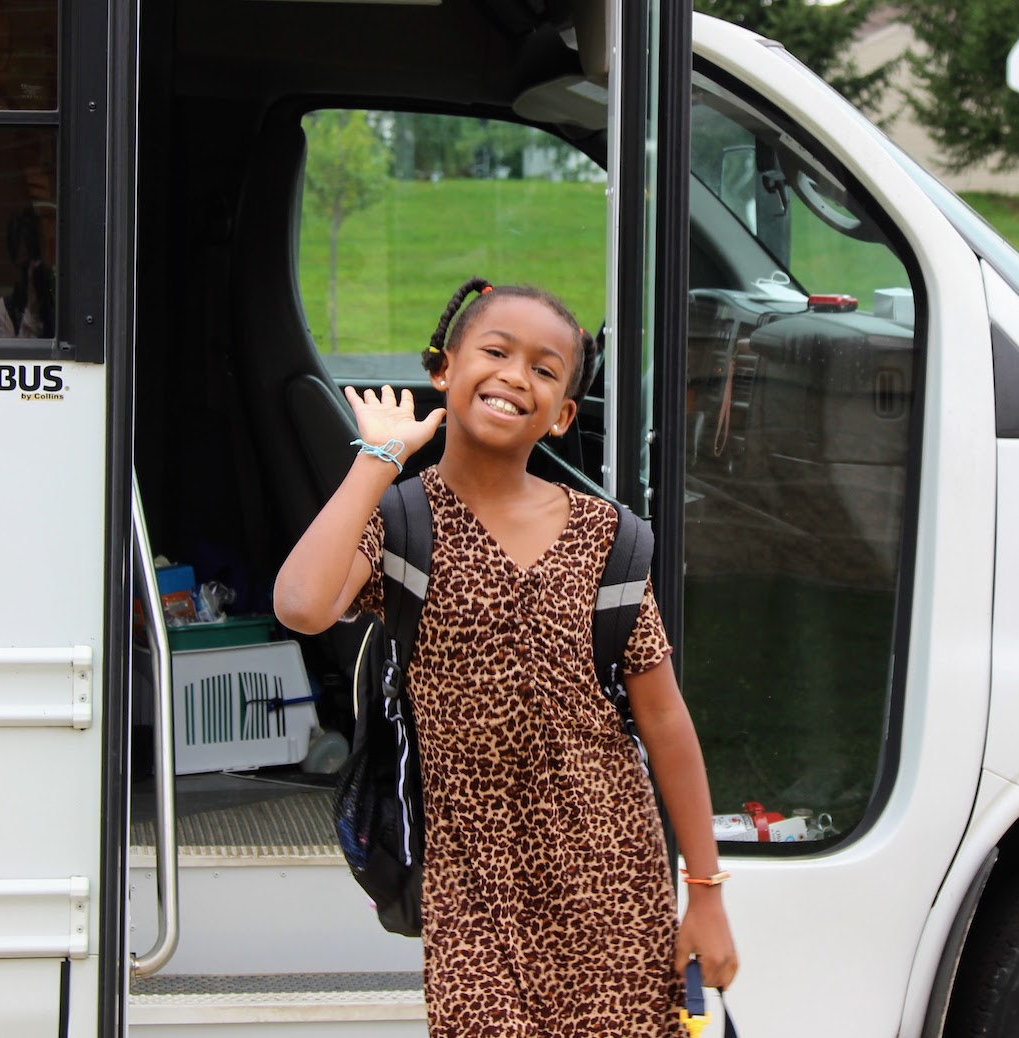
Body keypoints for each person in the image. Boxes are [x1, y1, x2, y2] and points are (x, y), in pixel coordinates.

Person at [274, 278, 737, 1036]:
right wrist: (377, 459)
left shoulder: (605, 539)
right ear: (444, 369)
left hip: (613, 882)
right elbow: (301, 602)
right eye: (495, 351)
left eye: (545, 369)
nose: (515, 375)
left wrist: (707, 893)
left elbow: (664, 719)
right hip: (472, 890)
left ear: (560, 417)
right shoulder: (399, 521)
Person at [0, 207, 54, 338]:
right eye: (26, 266)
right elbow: (16, 356)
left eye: (37, 263)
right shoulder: (5, 311)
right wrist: (32, 311)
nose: (32, 273)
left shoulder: (64, 302)